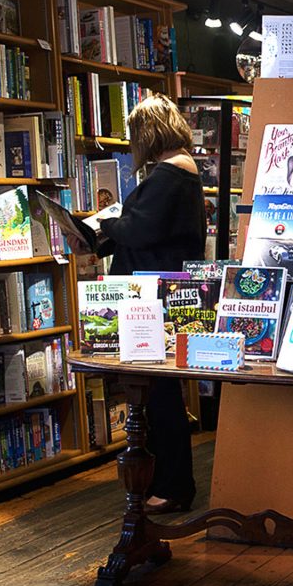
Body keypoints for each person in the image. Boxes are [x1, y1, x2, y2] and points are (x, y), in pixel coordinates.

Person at [96, 94, 206, 515]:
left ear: (148, 133)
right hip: (165, 294)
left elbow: (139, 230)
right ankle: (166, 481)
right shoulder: (183, 174)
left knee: (158, 396)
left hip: (153, 299)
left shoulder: (167, 175)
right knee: (159, 393)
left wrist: (105, 224)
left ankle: (173, 486)